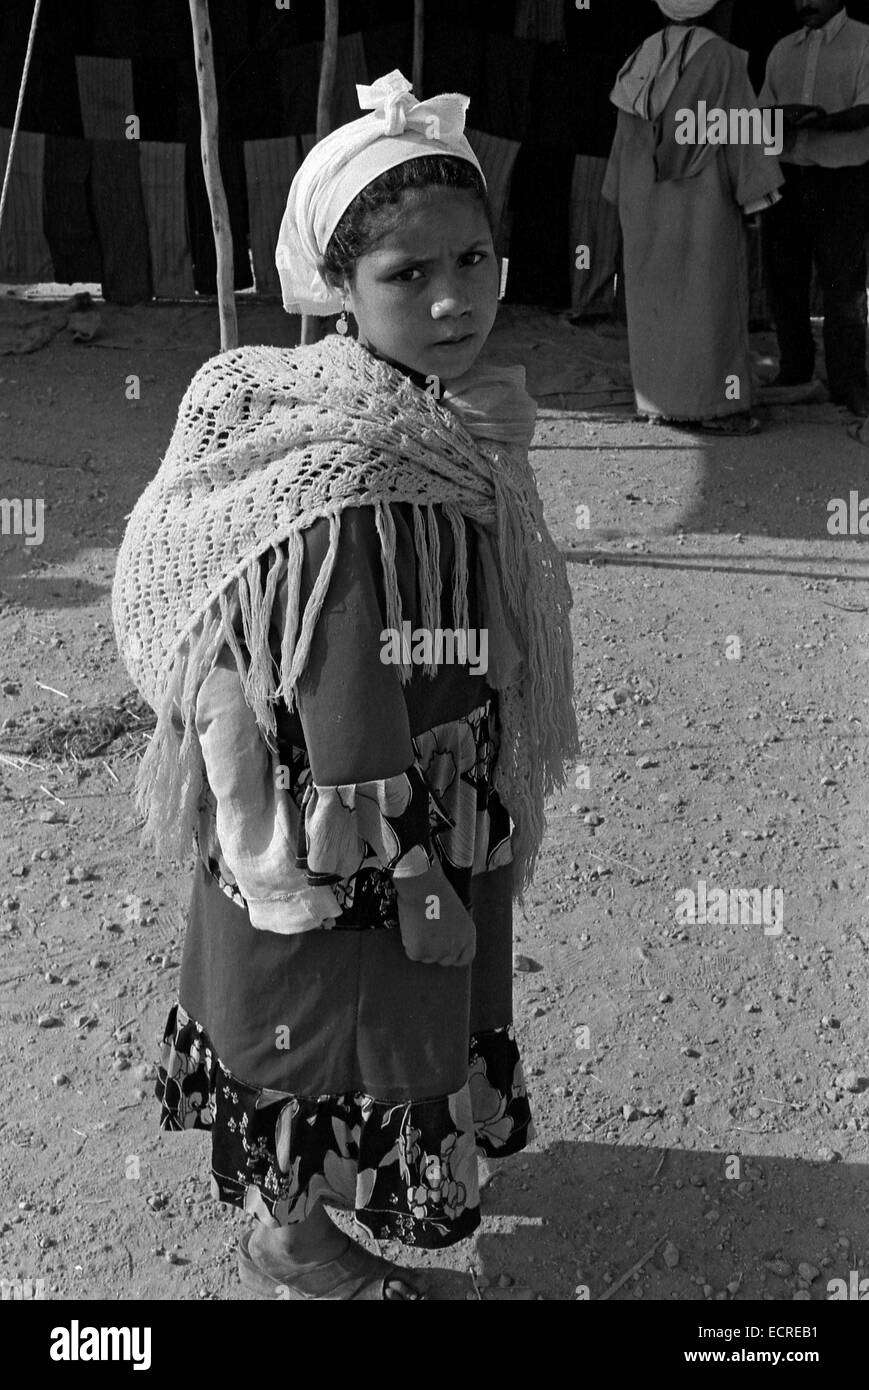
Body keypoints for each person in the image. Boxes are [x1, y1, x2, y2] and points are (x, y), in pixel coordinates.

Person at [111, 69, 578, 1301]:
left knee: (351, 1023)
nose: (450, 297)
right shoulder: (346, 464)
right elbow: (340, 680)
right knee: (329, 1026)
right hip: (358, 818)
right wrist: (415, 869)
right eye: (405, 276)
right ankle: (299, 1244)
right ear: (337, 285)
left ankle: (301, 1221)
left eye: (472, 261)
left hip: (428, 778)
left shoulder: (442, 423)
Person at [603, 0, 784, 435]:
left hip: (646, 199)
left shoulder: (640, 57)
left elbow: (624, 140)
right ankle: (717, 408)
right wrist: (757, 193)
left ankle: (658, 401)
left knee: (656, 303)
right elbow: (742, 128)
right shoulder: (720, 57)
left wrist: (621, 192)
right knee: (709, 303)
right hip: (704, 204)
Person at [759, 1, 869, 419]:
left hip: (842, 182)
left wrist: (818, 122)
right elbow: (758, 113)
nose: (803, 2)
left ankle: (849, 382)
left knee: (843, 286)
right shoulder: (783, 50)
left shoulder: (864, 42)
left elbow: (867, 109)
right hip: (787, 177)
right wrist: (778, 118)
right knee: (785, 280)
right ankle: (795, 370)